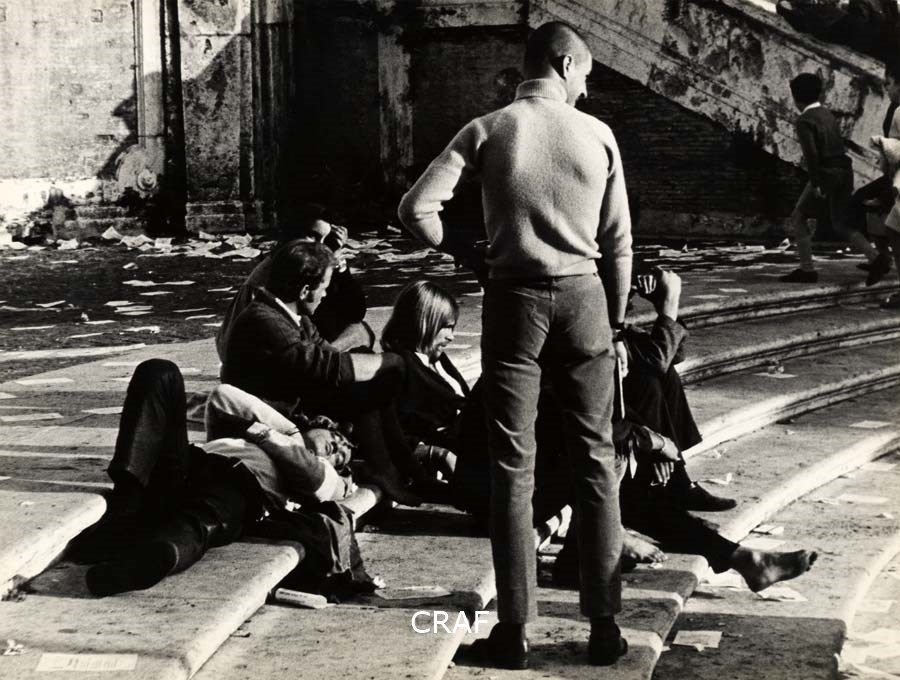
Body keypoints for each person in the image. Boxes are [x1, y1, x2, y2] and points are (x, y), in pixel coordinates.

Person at [399, 21, 632, 668]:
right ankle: (604, 625)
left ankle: (514, 630)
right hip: (584, 297)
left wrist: (470, 253)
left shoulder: (488, 128)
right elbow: (619, 243)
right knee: (596, 460)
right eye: (584, 75)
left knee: (512, 465)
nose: (585, 88)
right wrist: (612, 323)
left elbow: (415, 209)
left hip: (514, 299)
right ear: (565, 64)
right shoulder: (598, 134)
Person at [69, 359, 361, 597]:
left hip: (240, 489)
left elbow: (314, 479)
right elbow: (224, 396)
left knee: (200, 523)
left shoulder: (326, 474)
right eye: (335, 438)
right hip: (190, 464)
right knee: (160, 372)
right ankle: (126, 507)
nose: (337, 449)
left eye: (341, 456)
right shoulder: (274, 434)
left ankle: (150, 560)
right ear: (317, 424)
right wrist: (289, 431)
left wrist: (278, 439)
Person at [220, 241, 422, 506]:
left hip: (290, 404)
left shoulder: (294, 317)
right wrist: (391, 361)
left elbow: (327, 354)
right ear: (305, 290)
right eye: (324, 287)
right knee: (366, 387)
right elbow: (329, 368)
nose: (326, 294)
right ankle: (384, 469)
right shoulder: (265, 321)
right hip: (266, 421)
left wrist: (383, 365)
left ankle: (404, 464)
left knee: (374, 375)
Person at [623, 268, 737, 511]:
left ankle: (676, 477)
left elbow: (673, 356)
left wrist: (662, 307)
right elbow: (658, 360)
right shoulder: (593, 322)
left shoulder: (616, 326)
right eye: (626, 292)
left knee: (665, 375)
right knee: (647, 378)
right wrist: (669, 305)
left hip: (622, 411)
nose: (632, 299)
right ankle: (671, 478)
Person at [217, 204, 373, 357]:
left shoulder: (308, 264)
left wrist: (341, 271)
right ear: (292, 235)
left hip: (296, 343)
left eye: (325, 239)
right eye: (313, 236)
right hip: (267, 353)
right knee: (358, 336)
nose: (320, 245)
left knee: (359, 331)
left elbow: (354, 313)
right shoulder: (277, 272)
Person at [781, 72, 885, 284]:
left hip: (826, 173)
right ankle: (876, 258)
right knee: (840, 223)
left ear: (795, 97)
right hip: (844, 171)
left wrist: (816, 183)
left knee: (798, 216)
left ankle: (807, 270)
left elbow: (811, 155)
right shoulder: (827, 114)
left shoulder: (805, 121)